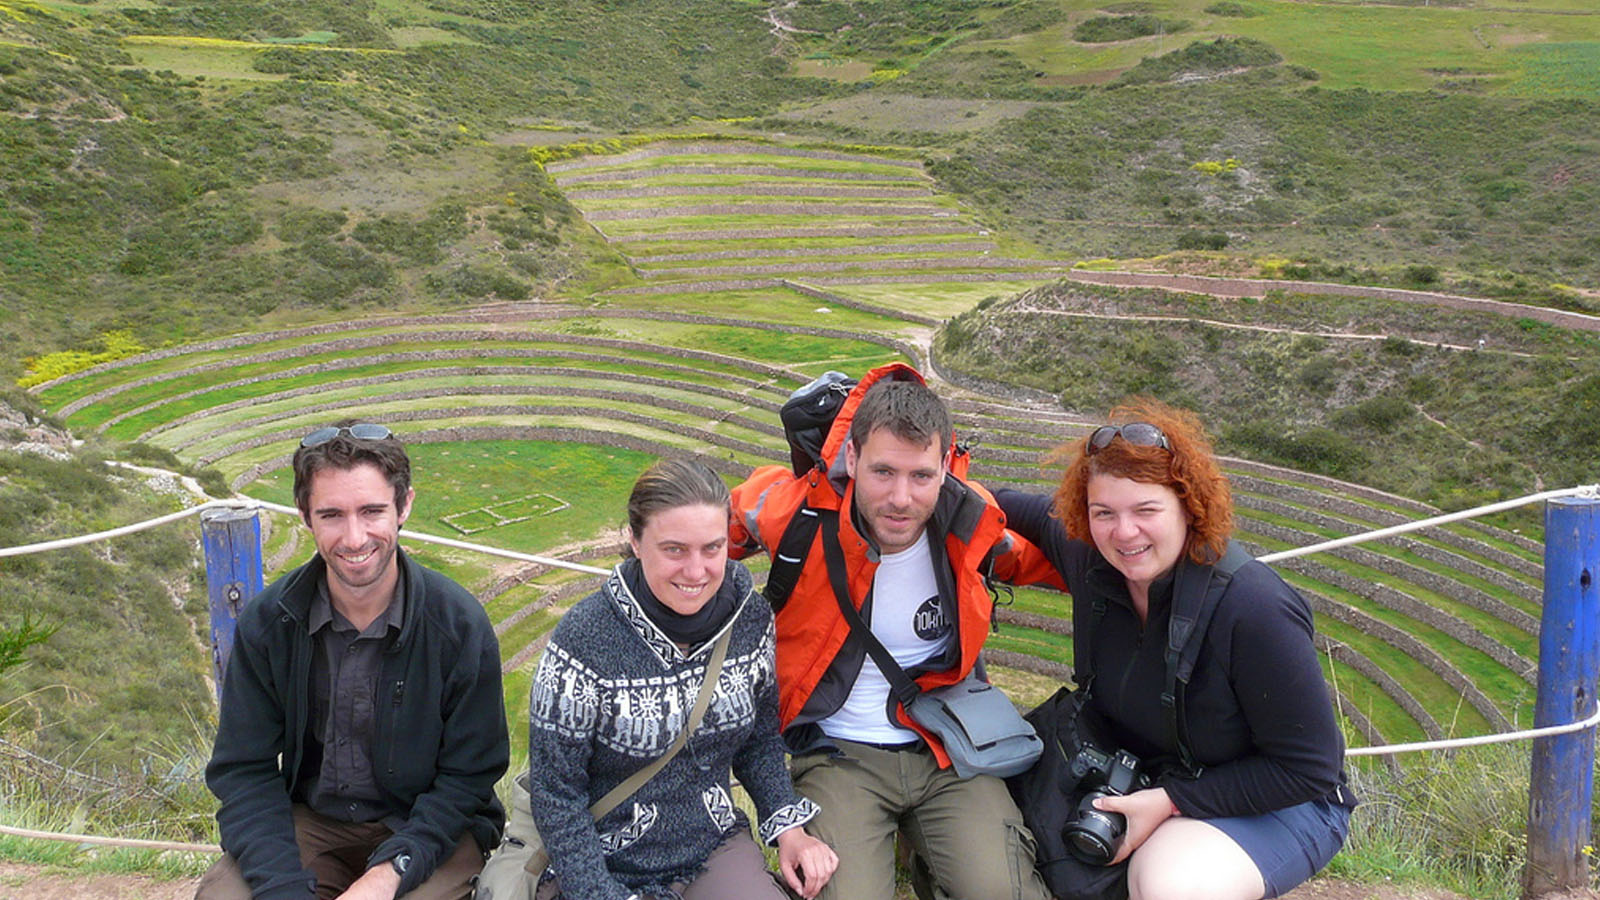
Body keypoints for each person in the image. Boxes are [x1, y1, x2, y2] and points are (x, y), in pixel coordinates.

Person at [992, 399, 1356, 900]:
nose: (1124, 533)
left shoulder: (1253, 609)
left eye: (1147, 510)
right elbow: (1004, 502)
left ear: (1188, 505)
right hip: (1154, 772)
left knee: (1169, 886)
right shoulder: (1091, 561)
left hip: (1280, 801)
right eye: (1104, 513)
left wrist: (1170, 801)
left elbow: (1308, 768)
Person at [729, 363, 1055, 900]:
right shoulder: (796, 512)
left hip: (947, 749)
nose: (901, 498)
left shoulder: (970, 526)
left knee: (1005, 891)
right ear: (852, 458)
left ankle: (931, 859)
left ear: (946, 467)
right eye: (883, 472)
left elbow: (1048, 562)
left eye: (921, 476)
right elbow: (718, 524)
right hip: (838, 753)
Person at [200, 423, 509, 900]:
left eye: (371, 511)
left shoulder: (459, 624)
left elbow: (468, 779)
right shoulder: (269, 622)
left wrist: (388, 874)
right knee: (227, 896)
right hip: (311, 822)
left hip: (428, 827)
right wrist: (282, 887)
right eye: (332, 515)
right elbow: (244, 771)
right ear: (305, 516)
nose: (354, 536)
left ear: (404, 506)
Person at [526, 457, 837, 900]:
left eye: (712, 548)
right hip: (602, 863)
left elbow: (759, 740)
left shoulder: (750, 618)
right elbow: (556, 794)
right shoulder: (582, 639)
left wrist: (789, 827)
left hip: (712, 846)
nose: (696, 572)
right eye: (674, 549)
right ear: (634, 540)